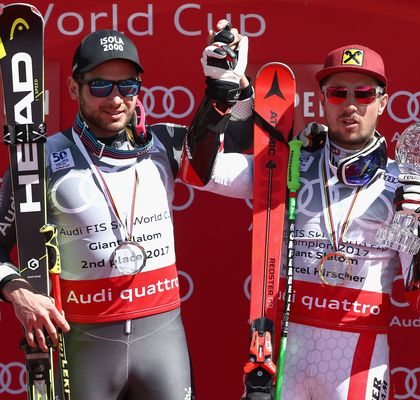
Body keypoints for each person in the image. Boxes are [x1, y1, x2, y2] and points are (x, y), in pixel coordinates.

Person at [185, 44, 420, 399]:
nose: (352, 104)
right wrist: (222, 94)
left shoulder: (403, 184)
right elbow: (203, 172)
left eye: (364, 93)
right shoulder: (285, 164)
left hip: (359, 358)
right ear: (323, 100)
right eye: (339, 93)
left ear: (383, 102)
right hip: (281, 353)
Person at [0, 25, 251, 399]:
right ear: (74, 88)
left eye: (127, 86)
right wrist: (19, 292)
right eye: (100, 86)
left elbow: (243, 141)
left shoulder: (163, 143)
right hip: (85, 345)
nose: (115, 99)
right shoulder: (41, 160)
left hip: (162, 341)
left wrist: (229, 85)